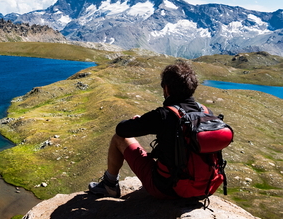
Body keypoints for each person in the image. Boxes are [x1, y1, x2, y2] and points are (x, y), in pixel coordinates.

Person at [88, 61, 207, 199]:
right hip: (203, 189)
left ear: (167, 89)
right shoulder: (205, 112)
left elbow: (121, 129)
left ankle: (109, 185)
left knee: (119, 138)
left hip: (167, 188)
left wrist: (142, 122)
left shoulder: (163, 115)